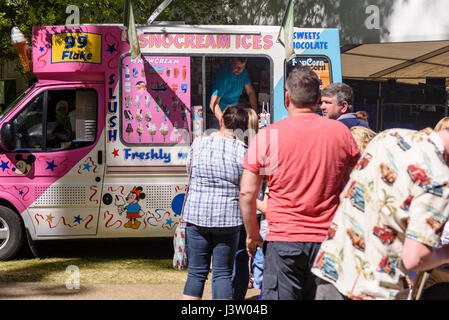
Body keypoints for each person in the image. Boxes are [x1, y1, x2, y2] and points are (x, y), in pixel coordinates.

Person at [239, 65, 360, 300]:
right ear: (317, 100)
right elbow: (359, 186)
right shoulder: (341, 133)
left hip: (283, 241)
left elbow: (247, 194)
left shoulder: (269, 135)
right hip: (328, 242)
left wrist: (253, 235)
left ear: (287, 98)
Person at [312, 127, 449, 300]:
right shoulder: (438, 178)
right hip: (377, 288)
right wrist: (445, 253)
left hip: (334, 269)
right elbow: (415, 257)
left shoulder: (389, 137)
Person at [182, 106, 249, 300]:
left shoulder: (198, 144)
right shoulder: (243, 151)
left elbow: (190, 173)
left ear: (221, 121)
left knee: (195, 273)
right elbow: (245, 186)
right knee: (222, 274)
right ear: (243, 128)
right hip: (228, 218)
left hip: (196, 215)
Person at [232, 107, 259, 300]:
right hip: (252, 209)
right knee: (242, 259)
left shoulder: (236, 150)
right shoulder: (257, 148)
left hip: (233, 210)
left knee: (228, 261)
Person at [207, 58, 258, 129]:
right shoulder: (222, 76)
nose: (240, 70)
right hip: (216, 115)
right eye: (237, 67)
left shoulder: (243, 72)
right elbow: (213, 104)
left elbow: (250, 92)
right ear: (231, 60)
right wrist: (223, 122)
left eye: (243, 67)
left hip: (232, 114)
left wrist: (255, 114)